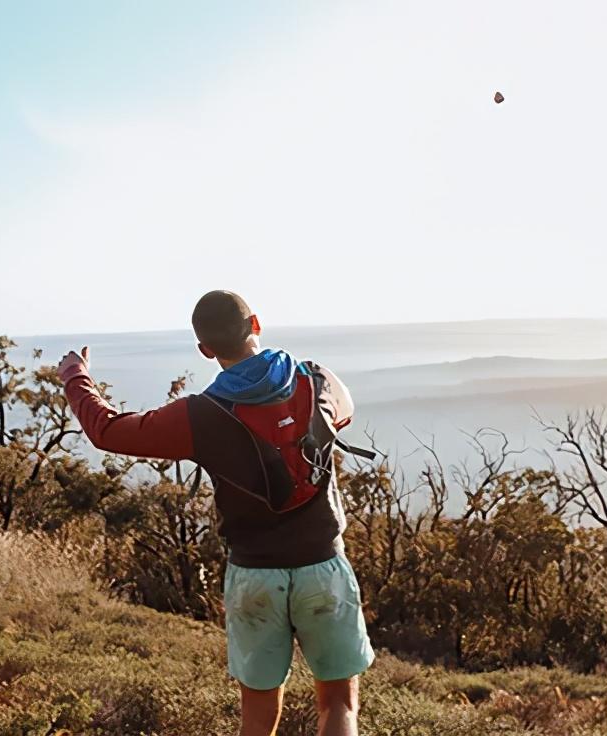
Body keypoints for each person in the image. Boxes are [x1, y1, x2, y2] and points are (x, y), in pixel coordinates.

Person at [58, 290, 375, 736]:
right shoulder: (316, 380)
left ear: (205, 351)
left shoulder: (200, 416)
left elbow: (107, 431)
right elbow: (344, 410)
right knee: (339, 703)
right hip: (322, 567)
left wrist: (75, 375)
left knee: (259, 715)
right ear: (257, 324)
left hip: (254, 577)